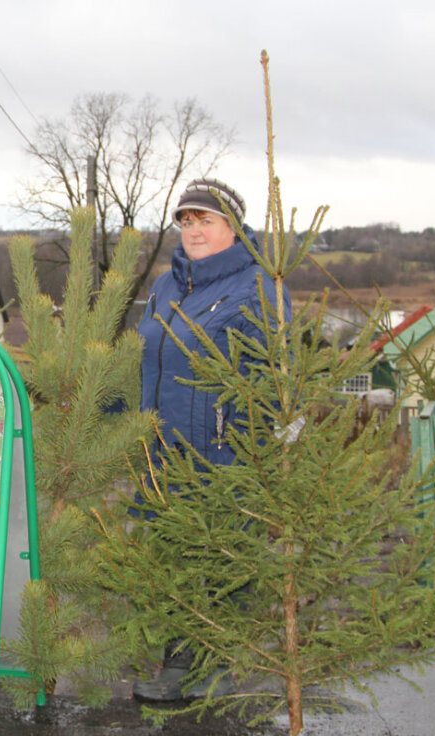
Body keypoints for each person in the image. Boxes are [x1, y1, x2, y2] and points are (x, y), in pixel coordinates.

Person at [131, 178, 288, 702]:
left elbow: (272, 386)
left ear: (233, 228)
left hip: (224, 457)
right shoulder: (167, 287)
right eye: (187, 220)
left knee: (220, 564)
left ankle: (212, 668)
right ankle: (181, 666)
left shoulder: (259, 287)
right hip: (163, 456)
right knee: (175, 559)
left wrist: (249, 459)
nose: (194, 230)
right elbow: (139, 363)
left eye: (207, 220)